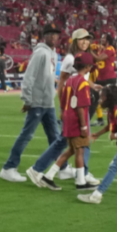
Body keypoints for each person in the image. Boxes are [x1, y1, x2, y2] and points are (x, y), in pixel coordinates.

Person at [25, 30, 99, 188]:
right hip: (75, 107)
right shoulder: (71, 59)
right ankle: (80, 175)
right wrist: (63, 107)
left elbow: (76, 80)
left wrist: (93, 86)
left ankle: (59, 173)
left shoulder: (80, 62)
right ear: (74, 41)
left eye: (87, 39)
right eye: (82, 39)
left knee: (69, 144)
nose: (85, 42)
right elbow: (63, 83)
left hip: (74, 106)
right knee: (76, 143)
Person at [0, 24, 61, 183]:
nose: (54, 37)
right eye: (50, 34)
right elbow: (29, 77)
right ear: (44, 36)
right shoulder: (41, 53)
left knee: (55, 136)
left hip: (48, 101)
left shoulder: (52, 53)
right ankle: (9, 167)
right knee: (27, 135)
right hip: (38, 102)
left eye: (56, 34)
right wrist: (27, 99)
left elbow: (47, 76)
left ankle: (62, 167)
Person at [41, 54, 95, 190]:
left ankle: (48, 176)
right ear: (88, 67)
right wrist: (83, 126)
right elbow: (82, 107)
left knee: (71, 150)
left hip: (68, 118)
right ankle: (81, 182)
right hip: (77, 121)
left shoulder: (70, 80)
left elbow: (64, 100)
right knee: (80, 150)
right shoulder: (83, 82)